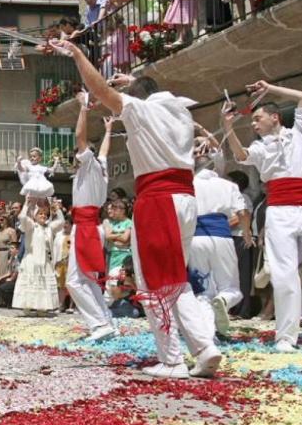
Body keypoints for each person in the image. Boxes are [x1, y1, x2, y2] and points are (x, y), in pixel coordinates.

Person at [52, 38, 222, 379]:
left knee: (153, 280)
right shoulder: (178, 110)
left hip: (158, 201)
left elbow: (99, 89)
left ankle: (173, 359)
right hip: (186, 199)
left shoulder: (142, 110)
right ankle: (205, 348)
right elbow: (148, 93)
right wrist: (136, 83)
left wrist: (78, 54)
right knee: (176, 278)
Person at [222, 81, 302, 352]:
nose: (254, 124)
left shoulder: (299, 133)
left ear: (275, 117)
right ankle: (286, 336)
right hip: (280, 212)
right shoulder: (260, 148)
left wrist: (270, 88)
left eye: (257, 118)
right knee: (284, 275)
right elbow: (240, 155)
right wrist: (227, 127)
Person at [66, 92, 116, 341]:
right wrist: (109, 130)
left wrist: (83, 108)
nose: (75, 156)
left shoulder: (88, 164)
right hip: (91, 225)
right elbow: (105, 152)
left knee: (74, 281)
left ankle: (99, 324)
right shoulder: (101, 167)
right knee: (90, 279)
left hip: (85, 226)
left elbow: (79, 136)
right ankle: (106, 321)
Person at [189, 140, 247, 337]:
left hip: (194, 240)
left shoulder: (187, 185)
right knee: (232, 288)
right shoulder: (228, 185)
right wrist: (246, 232)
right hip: (221, 237)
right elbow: (243, 211)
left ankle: (208, 335)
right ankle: (223, 300)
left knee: (203, 291)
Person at [14, 198, 64, 315]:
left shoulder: (49, 228)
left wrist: (57, 209)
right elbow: (22, 217)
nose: (43, 216)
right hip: (31, 259)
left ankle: (42, 308)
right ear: (35, 215)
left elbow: (61, 222)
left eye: (45, 214)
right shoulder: (31, 226)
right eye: (40, 213)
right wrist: (26, 203)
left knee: (43, 284)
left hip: (45, 260)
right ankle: (26, 307)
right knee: (31, 282)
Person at [226, 170, 256, 318]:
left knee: (242, 274)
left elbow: (241, 217)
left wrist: (220, 225)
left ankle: (242, 309)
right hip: (229, 237)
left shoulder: (243, 198)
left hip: (239, 238)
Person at [0, 215, 18, 285]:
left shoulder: (11, 231)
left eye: (2, 220)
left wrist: (11, 258)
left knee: (5, 276)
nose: (0, 222)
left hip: (6, 254)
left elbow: (14, 245)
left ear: (6, 220)